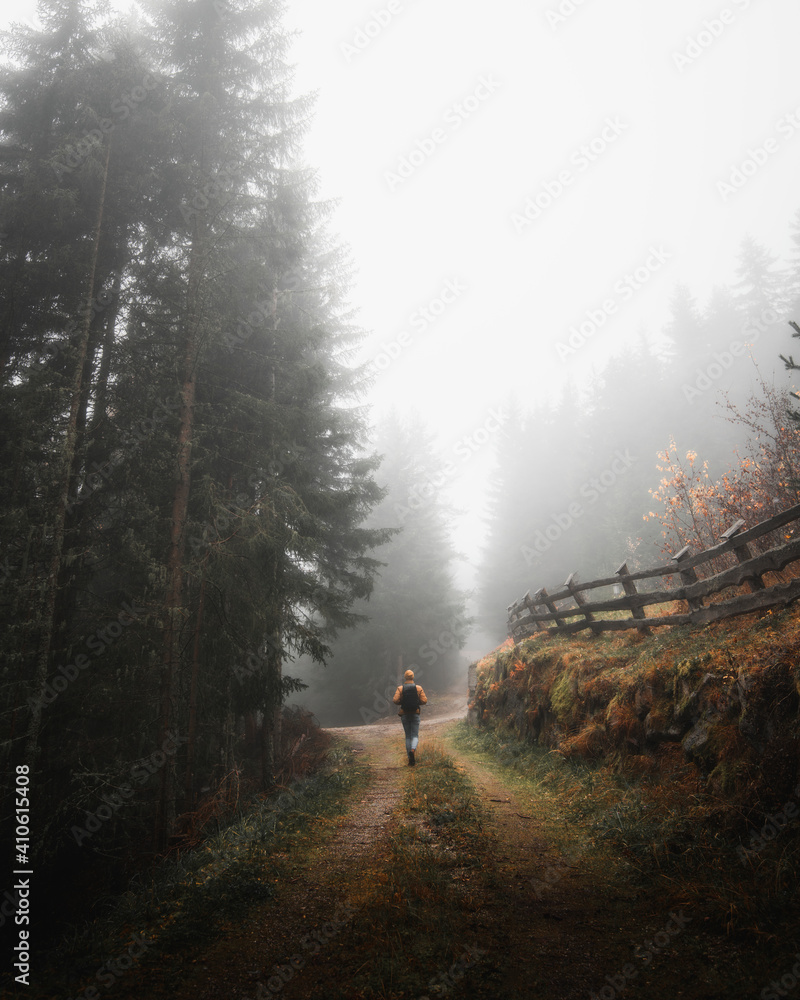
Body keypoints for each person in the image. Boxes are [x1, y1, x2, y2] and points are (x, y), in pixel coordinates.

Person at [393, 669, 428, 766]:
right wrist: (416, 702)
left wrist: (403, 702)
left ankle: (410, 760)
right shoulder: (418, 688)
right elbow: (424, 701)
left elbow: (395, 700)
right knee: (415, 735)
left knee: (408, 736)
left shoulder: (400, 688)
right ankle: (413, 750)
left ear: (405, 677)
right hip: (415, 714)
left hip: (405, 714)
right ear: (413, 677)